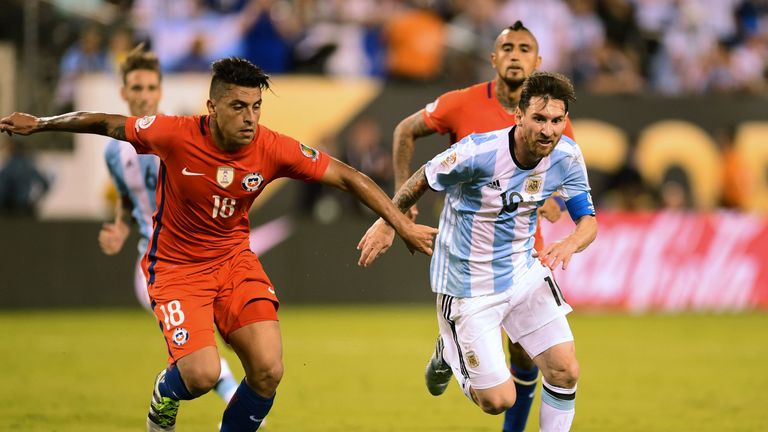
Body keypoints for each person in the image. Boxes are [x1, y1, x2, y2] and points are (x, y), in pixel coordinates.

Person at [1, 56, 437, 432]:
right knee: (202, 374)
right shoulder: (174, 134)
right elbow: (104, 122)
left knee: (268, 370)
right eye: (238, 107)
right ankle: (163, 395)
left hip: (234, 263)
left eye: (256, 107)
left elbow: (348, 176)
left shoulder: (271, 147)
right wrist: (41, 124)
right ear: (212, 107)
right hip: (176, 269)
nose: (250, 118)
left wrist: (399, 224)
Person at [358, 72, 597, 432]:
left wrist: (569, 242)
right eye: (539, 119)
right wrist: (389, 221)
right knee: (498, 401)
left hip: (522, 272)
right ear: (518, 115)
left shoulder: (566, 155)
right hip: (466, 284)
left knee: (565, 371)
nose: (548, 130)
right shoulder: (479, 151)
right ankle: (448, 353)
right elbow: (424, 176)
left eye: (556, 120)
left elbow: (588, 222)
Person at [390, 21, 572, 432]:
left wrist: (554, 201)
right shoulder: (461, 103)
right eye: (507, 48)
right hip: (469, 253)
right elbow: (406, 131)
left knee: (528, 355)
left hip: (524, 250)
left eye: (524, 49)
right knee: (497, 388)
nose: (515, 55)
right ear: (493, 58)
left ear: (537, 60)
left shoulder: (552, 114)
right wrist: (401, 206)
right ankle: (449, 352)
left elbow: (562, 175)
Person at [97, 44, 240, 404]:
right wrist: (120, 227)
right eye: (136, 88)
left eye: (150, 88)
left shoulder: (181, 136)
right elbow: (129, 199)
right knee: (191, 338)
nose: (144, 96)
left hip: (202, 250)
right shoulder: (113, 150)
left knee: (221, 330)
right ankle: (222, 387)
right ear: (124, 93)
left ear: (160, 91)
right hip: (157, 259)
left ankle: (227, 386)